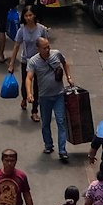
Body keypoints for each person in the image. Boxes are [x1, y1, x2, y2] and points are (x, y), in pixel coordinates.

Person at [26, 35, 71, 163]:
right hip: (44, 97)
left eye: (48, 47)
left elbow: (65, 63)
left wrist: (69, 77)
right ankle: (48, 145)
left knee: (61, 121)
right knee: (45, 123)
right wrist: (29, 93)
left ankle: (62, 150)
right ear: (38, 49)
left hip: (59, 95)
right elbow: (29, 78)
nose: (47, 50)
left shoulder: (56, 54)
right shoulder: (33, 62)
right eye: (44, 48)